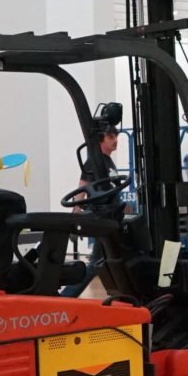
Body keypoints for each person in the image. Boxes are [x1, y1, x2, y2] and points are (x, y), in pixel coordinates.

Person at [60, 123, 121, 297]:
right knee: (97, 263)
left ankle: (122, 297)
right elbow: (82, 187)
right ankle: (66, 297)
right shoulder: (94, 161)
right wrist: (76, 214)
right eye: (111, 137)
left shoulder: (108, 161)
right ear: (101, 139)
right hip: (102, 217)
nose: (115, 141)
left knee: (111, 260)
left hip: (112, 216)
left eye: (116, 137)